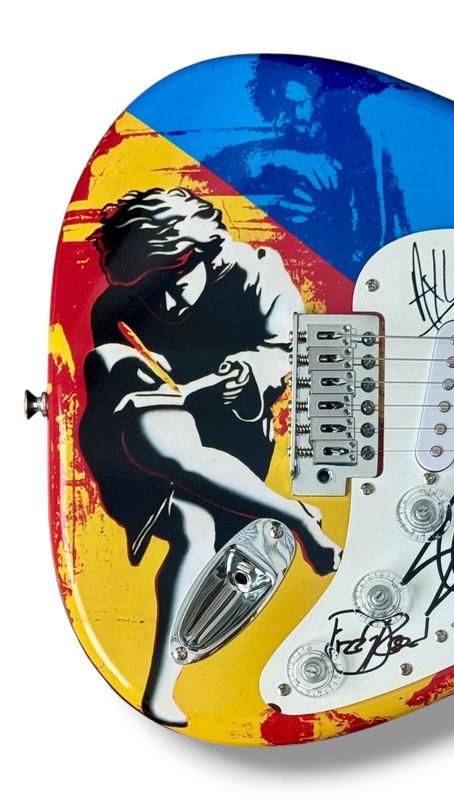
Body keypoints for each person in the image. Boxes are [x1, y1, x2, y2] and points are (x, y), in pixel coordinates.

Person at [79, 186, 340, 726]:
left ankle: (160, 691)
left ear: (201, 252)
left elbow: (294, 348)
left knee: (195, 528)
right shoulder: (113, 308)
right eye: (150, 291)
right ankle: (294, 515)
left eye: (174, 285)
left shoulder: (260, 274)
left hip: (235, 447)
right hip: (134, 454)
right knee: (132, 401)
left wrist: (250, 372)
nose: (165, 306)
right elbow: (115, 378)